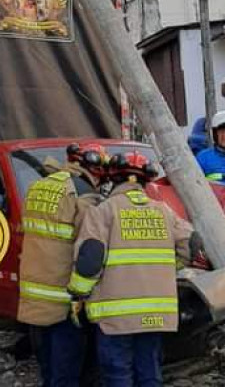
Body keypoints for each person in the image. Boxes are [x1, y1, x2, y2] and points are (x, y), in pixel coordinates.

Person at [69, 151, 196, 387]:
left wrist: (78, 293)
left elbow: (90, 260)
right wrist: (164, 270)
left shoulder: (104, 211)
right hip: (155, 314)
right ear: (145, 182)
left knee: (118, 375)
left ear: (113, 180)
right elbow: (191, 245)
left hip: (115, 316)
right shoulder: (164, 211)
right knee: (149, 373)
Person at [18, 143, 107, 387]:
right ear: (94, 168)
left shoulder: (39, 186)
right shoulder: (83, 195)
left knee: (47, 364)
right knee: (66, 369)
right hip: (63, 295)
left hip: (34, 291)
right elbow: (90, 245)